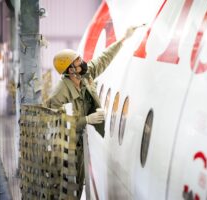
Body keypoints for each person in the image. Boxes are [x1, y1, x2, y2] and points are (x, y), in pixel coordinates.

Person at [45, 26, 138, 198]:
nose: (82, 61)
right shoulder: (62, 90)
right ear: (71, 70)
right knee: (69, 186)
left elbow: (103, 59)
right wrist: (86, 120)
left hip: (80, 142)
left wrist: (123, 39)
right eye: (77, 61)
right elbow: (52, 120)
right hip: (67, 146)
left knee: (79, 181)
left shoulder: (84, 76)